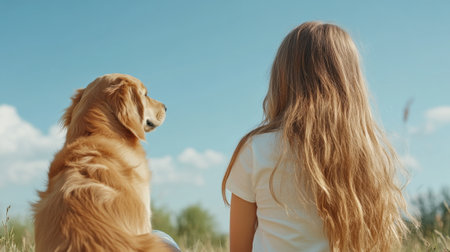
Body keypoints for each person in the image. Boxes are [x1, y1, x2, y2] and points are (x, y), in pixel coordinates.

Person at [222, 21, 412, 252]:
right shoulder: (368, 159)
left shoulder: (256, 149)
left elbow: (239, 249)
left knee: (164, 240)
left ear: (282, 79)